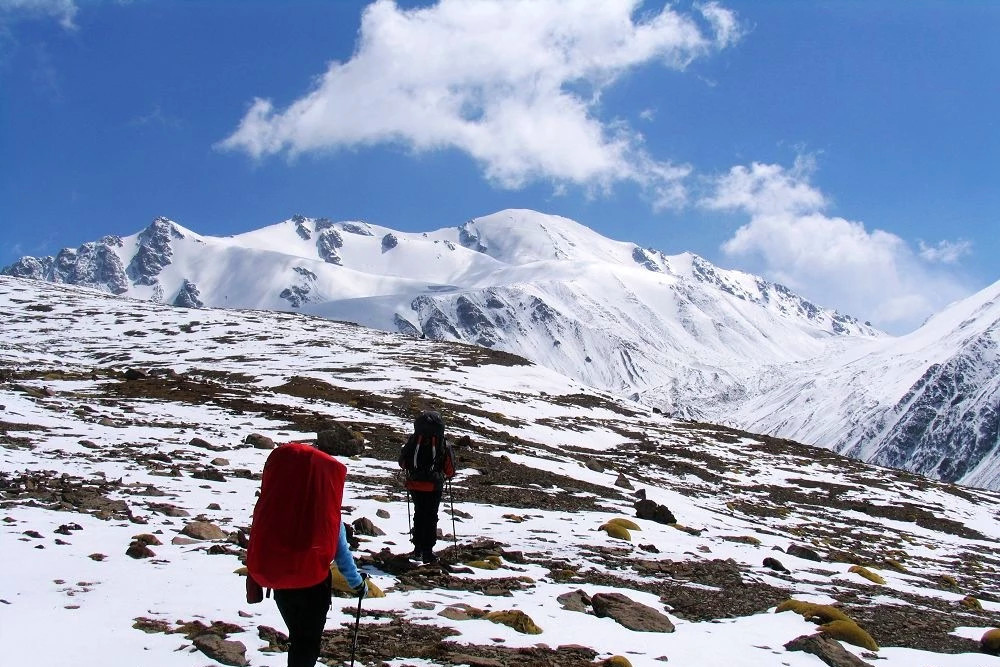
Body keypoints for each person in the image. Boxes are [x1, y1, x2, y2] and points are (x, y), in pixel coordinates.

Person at [247, 441, 368, 667]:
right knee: (307, 643)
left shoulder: (276, 503)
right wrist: (358, 584)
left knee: (298, 637)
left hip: (281, 585)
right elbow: (341, 553)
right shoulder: (324, 510)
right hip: (313, 585)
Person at [398, 410, 456, 563]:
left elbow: (402, 462)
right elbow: (450, 470)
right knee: (430, 517)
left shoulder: (414, 440)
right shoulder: (442, 442)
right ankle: (428, 552)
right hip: (433, 486)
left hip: (415, 484)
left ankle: (417, 549)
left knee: (419, 514)